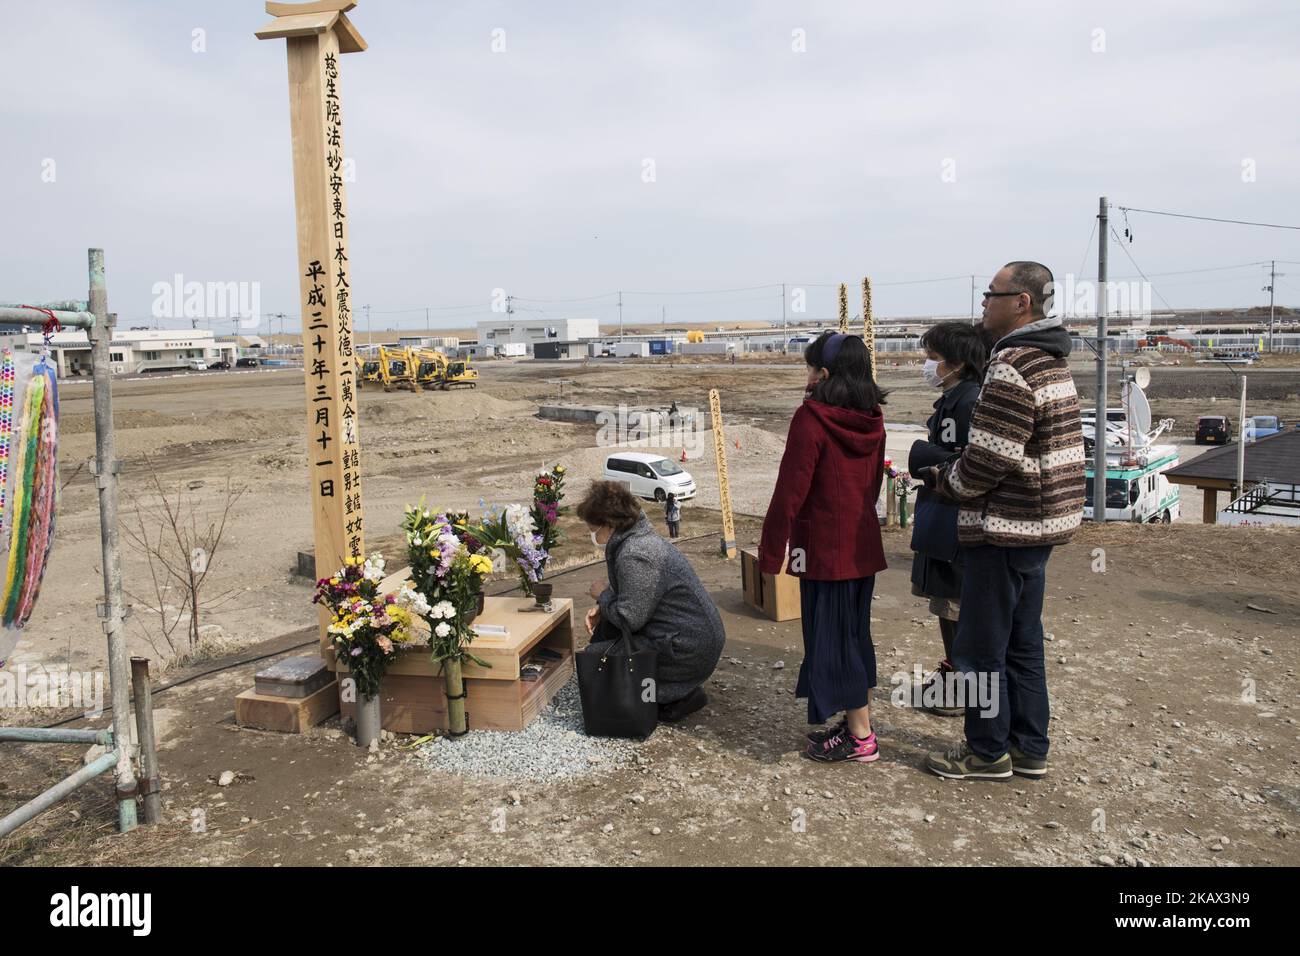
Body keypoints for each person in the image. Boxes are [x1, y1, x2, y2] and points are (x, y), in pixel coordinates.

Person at [921, 261, 1085, 781]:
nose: (984, 303)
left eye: (993, 294)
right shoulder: (1050, 359)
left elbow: (991, 458)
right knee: (1023, 644)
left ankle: (986, 752)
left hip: (1004, 529)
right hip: (1039, 529)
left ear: (1022, 303)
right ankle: (1029, 747)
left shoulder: (1013, 363)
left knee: (979, 650)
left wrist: (945, 480)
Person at [759, 332, 887, 763]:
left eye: (810, 367)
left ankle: (860, 736)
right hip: (861, 544)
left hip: (824, 551)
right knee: (853, 636)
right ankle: (856, 722)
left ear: (825, 374)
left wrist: (771, 552)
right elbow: (872, 486)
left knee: (832, 641)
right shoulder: (874, 417)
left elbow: (790, 492)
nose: (807, 375)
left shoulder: (811, 419)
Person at [580, 480, 724, 722]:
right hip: (688, 638)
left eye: (594, 528)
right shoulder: (639, 539)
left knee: (596, 663)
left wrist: (602, 595)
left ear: (610, 523)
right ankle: (675, 691)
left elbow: (629, 618)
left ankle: (672, 698)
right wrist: (604, 606)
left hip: (685, 649)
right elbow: (639, 597)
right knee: (603, 647)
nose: (593, 534)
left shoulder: (636, 554)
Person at [906, 322, 989, 715]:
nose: (928, 366)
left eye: (934, 359)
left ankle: (963, 688)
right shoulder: (950, 400)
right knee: (943, 605)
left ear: (958, 363)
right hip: (941, 519)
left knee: (957, 607)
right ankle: (953, 674)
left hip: (959, 524)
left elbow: (977, 464)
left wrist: (937, 464)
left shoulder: (972, 401)